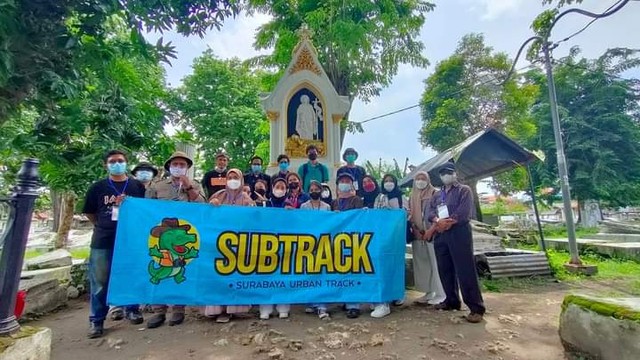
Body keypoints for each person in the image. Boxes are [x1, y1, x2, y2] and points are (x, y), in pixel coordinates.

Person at [83, 150, 147, 338]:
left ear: (126, 163)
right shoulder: (98, 187)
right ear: (106, 165)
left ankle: (132, 309)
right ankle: (97, 320)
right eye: (112, 161)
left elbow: (146, 211)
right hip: (103, 239)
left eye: (120, 161)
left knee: (131, 275)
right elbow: (90, 212)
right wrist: (102, 225)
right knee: (100, 281)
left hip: (131, 239)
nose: (117, 163)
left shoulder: (138, 187)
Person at [145, 151, 206, 329]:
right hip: (160, 237)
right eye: (176, 164)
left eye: (182, 165)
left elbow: (203, 205)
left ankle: (178, 309)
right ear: (169, 167)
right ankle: (159, 310)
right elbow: (145, 208)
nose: (179, 167)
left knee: (181, 269)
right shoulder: (157, 186)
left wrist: (188, 187)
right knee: (160, 267)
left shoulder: (195, 184)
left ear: (187, 168)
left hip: (182, 238)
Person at [426, 162, 485, 323]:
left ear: (455, 174)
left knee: (465, 269)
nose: (447, 175)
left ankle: (476, 308)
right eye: (443, 173)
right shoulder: (437, 195)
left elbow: (464, 212)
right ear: (440, 176)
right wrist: (438, 221)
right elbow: (430, 212)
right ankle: (451, 301)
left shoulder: (464, 190)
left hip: (459, 232)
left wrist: (447, 223)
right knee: (445, 269)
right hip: (441, 233)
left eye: (449, 172)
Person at [206, 169, 254, 322]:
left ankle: (232, 309)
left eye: (236, 177)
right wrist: (212, 206)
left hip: (238, 243)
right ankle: (218, 309)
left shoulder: (246, 199)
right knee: (218, 276)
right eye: (230, 177)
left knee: (235, 276)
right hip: (218, 243)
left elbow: (252, 219)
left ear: (241, 180)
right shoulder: (218, 195)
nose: (233, 180)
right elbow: (206, 215)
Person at [370, 174, 405, 318]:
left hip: (396, 237)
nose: (388, 183)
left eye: (391, 181)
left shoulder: (402, 197)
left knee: (395, 265)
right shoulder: (380, 197)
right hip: (382, 236)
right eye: (386, 181)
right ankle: (382, 301)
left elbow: (405, 214)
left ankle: (396, 294)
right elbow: (375, 215)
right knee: (381, 265)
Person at [409, 171, 446, 306]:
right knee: (423, 264)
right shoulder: (412, 195)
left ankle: (442, 294)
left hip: (434, 233)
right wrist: (416, 230)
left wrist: (431, 230)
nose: (420, 181)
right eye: (417, 178)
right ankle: (428, 292)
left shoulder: (435, 193)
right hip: (418, 234)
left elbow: (441, 214)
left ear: (428, 179)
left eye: (423, 178)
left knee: (436, 263)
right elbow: (411, 214)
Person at [331, 173, 364, 319]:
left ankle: (353, 305)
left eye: (347, 181)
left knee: (352, 271)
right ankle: (344, 299)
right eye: (342, 181)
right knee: (339, 270)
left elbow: (358, 217)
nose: (344, 183)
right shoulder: (334, 202)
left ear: (352, 184)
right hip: (337, 240)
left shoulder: (356, 200)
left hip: (352, 239)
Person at [300, 181, 332, 320]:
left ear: (320, 190)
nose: (314, 191)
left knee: (321, 274)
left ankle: (321, 306)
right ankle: (311, 302)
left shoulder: (327, 207)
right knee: (309, 274)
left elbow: (331, 224)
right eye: (311, 189)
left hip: (323, 243)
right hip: (308, 244)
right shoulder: (303, 206)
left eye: (316, 189)